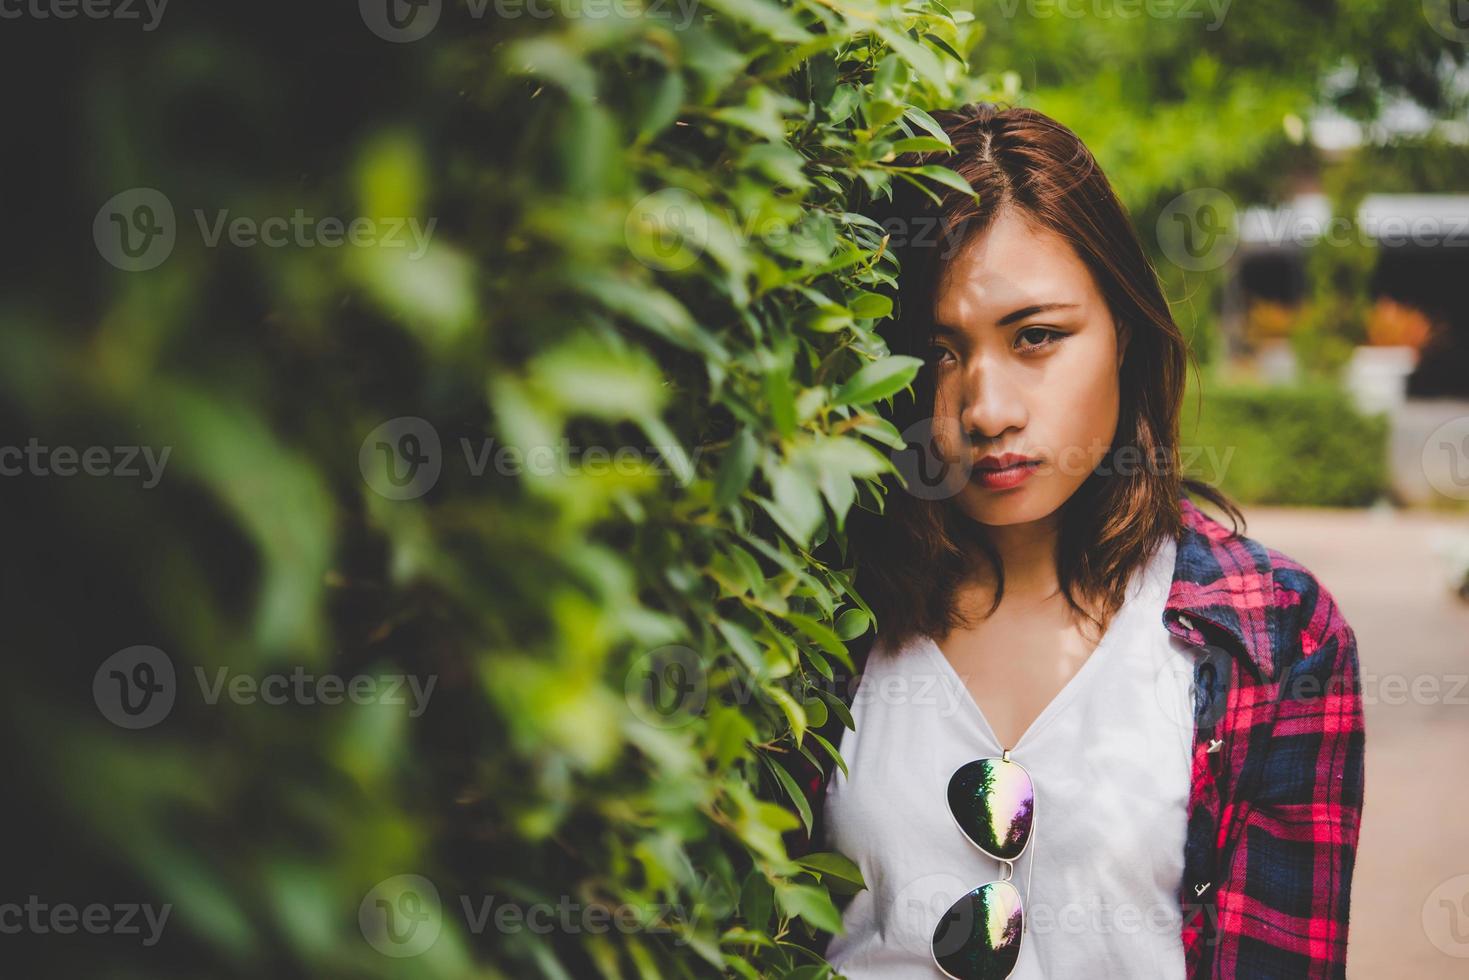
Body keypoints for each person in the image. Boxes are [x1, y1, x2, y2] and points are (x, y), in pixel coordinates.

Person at [783, 103, 1366, 979]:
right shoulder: (820, 609)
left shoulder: (1274, 635)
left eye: (1036, 337)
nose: (985, 409)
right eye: (938, 352)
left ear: (1123, 331)